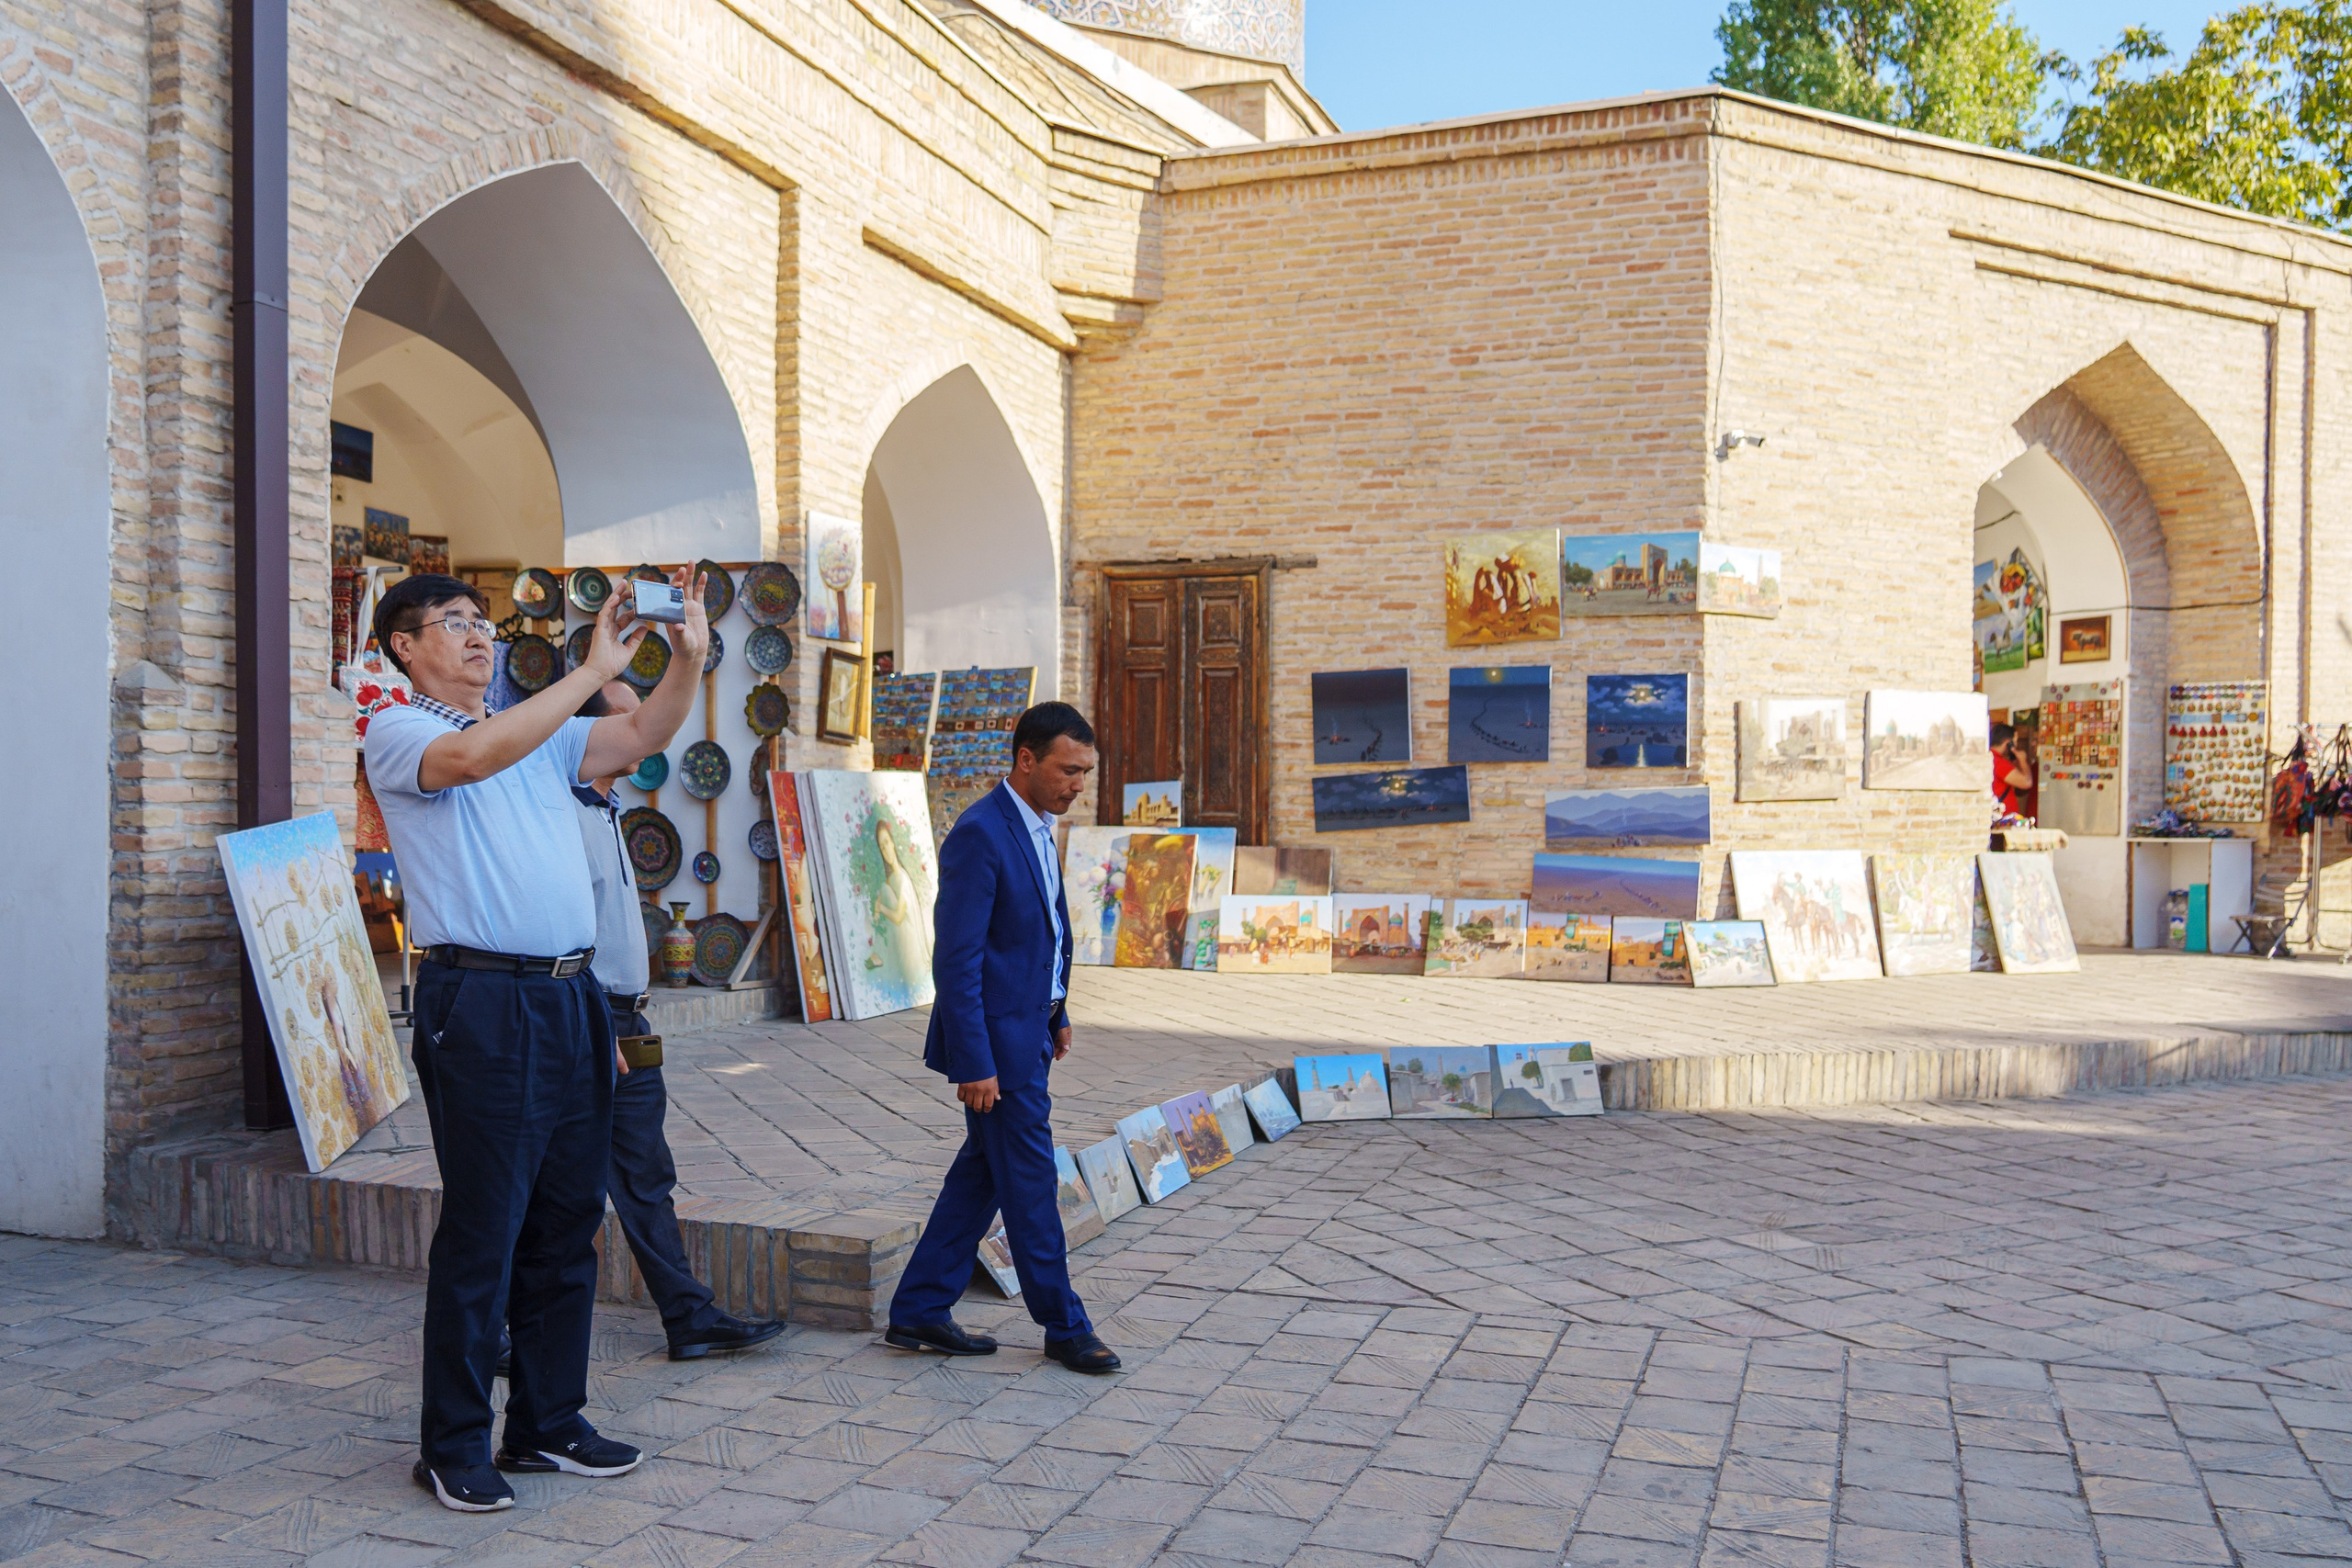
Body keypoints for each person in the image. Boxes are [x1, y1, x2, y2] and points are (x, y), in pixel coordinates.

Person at [364, 568, 707, 1513]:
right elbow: (474, 759)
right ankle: (453, 1443)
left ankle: (549, 1424)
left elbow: (640, 736)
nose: (477, 636)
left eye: (482, 622)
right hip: (479, 999)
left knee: (565, 1222)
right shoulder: (400, 732)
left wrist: (687, 661)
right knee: (487, 1229)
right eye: (452, 622)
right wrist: (590, 665)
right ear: (405, 646)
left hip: (569, 997)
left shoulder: (545, 735)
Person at [883, 702, 1120, 1374]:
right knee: (1031, 1185)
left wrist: (1058, 1007)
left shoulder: (1040, 826)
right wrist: (975, 1060)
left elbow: (1042, 928)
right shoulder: (980, 833)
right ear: (1025, 760)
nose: (1079, 784)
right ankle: (1064, 1326)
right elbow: (955, 961)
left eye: (1086, 771)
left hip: (1030, 1030)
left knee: (982, 1173)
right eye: (1068, 770)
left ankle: (921, 1307)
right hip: (998, 1050)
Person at [566, 680, 787, 1362]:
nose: (648, 727)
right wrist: (595, 1019)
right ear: (594, 735)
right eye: (631, 717)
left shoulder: (609, 808)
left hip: (628, 1018)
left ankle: (687, 1316)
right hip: (586, 1015)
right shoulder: (561, 816)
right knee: (556, 1182)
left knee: (645, 1174)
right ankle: (511, 1328)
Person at [1991, 721, 2033, 818]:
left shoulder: (1992, 758)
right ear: (2008, 743)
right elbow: (2026, 782)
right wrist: (2022, 760)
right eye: (2015, 741)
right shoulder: (1999, 762)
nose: (2016, 744)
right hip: (2003, 819)